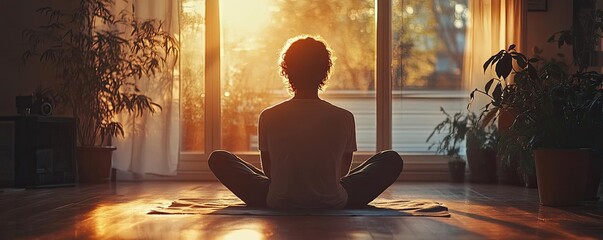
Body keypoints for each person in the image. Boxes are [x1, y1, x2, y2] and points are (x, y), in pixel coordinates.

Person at [208, 36, 403, 209]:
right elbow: (342, 173)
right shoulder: (344, 117)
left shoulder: (268, 115)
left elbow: (270, 173)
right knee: (390, 159)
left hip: (277, 200)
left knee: (219, 158)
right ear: (324, 72)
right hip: (332, 200)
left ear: (287, 71)